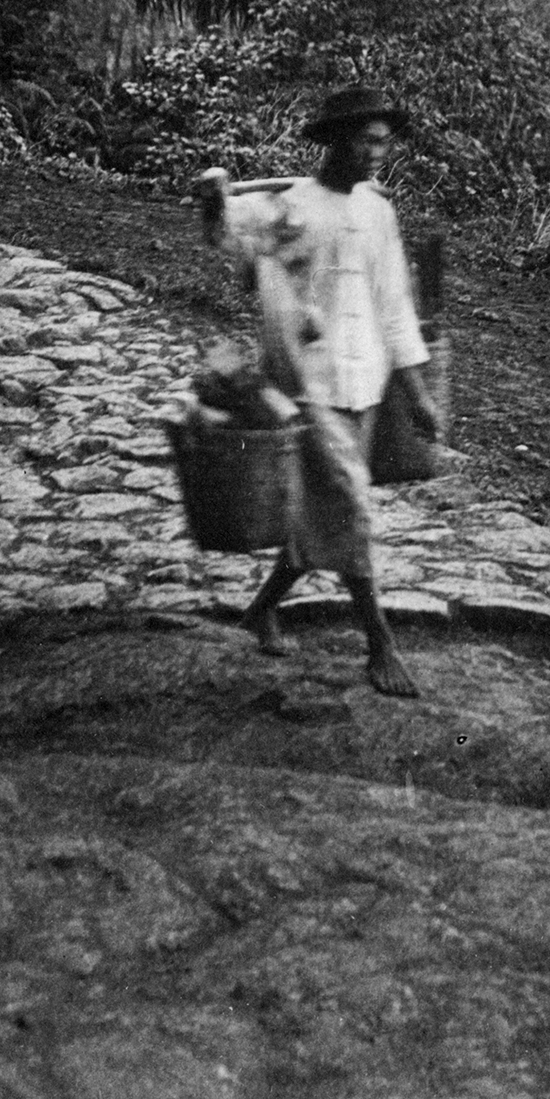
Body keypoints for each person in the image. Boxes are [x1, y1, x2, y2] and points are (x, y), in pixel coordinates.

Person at [200, 84, 441, 698]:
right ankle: (379, 642)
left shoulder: (378, 212)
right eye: (364, 139)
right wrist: (212, 202)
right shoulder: (291, 208)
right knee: (350, 503)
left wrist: (414, 394)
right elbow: (231, 238)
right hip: (309, 382)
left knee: (323, 506)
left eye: (383, 141)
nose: (375, 152)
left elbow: (394, 306)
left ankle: (260, 610)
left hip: (365, 381)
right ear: (335, 140)